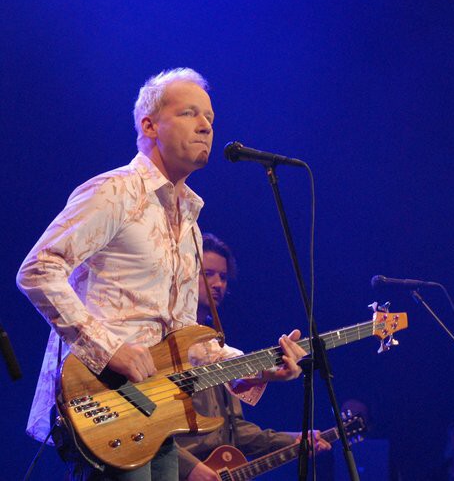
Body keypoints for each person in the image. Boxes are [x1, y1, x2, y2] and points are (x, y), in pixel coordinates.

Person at [16, 68, 307, 480]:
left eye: (210, 117)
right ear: (149, 125)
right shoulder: (114, 191)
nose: (206, 125)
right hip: (106, 402)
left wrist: (259, 368)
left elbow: (187, 341)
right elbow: (38, 270)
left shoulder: (189, 222)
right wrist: (110, 349)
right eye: (190, 113)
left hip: (160, 413)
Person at [177, 233, 331, 481]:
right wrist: (188, 468)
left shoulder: (219, 348)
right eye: (208, 274)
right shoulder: (168, 341)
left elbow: (235, 430)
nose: (218, 284)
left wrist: (295, 440)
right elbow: (148, 429)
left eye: (223, 277)